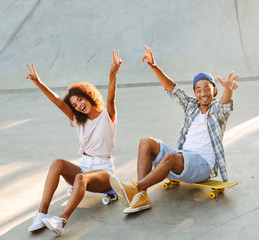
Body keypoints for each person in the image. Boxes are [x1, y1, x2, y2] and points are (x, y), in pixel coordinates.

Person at [110, 46, 239, 214]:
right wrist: (154, 66)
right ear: (195, 93)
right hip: (183, 161)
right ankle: (141, 196)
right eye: (198, 90)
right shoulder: (191, 106)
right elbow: (172, 88)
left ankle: (136, 187)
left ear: (214, 89)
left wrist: (228, 88)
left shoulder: (217, 112)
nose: (203, 93)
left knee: (171, 157)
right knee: (146, 142)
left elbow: (224, 103)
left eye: (207, 88)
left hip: (202, 166)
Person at [26, 50, 123, 235]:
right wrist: (39, 83)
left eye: (80, 99)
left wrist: (113, 74)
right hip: (84, 165)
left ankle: (61, 221)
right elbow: (57, 101)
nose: (79, 105)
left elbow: (111, 97)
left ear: (88, 96)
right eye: (75, 104)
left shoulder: (107, 116)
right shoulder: (79, 120)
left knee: (80, 178)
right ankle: (41, 213)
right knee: (58, 164)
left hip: (104, 173)